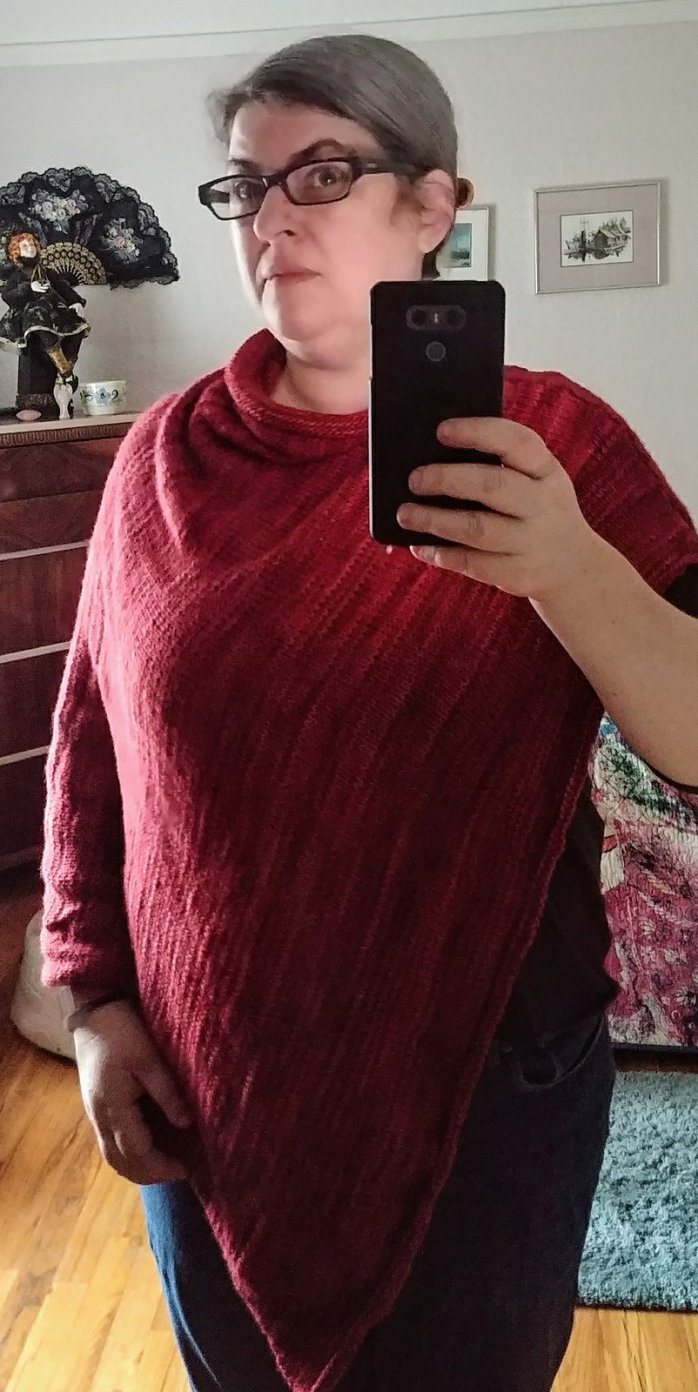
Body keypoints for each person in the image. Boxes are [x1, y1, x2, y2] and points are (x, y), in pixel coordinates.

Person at [39, 33, 698, 1392]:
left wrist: (567, 568)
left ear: (432, 204)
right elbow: (90, 746)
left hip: (489, 1082)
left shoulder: (557, 445)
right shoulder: (159, 461)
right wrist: (94, 1003)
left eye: (323, 173)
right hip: (206, 1074)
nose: (272, 217)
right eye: (245, 185)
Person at [0, 231, 88, 414]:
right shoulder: (18, 275)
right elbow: (8, 296)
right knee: (38, 319)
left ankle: (64, 376)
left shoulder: (48, 272)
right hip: (31, 317)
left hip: (53, 312)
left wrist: (76, 302)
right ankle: (66, 373)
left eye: (32, 244)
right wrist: (29, 287)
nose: (30, 248)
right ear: (17, 251)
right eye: (25, 246)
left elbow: (63, 288)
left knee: (78, 327)